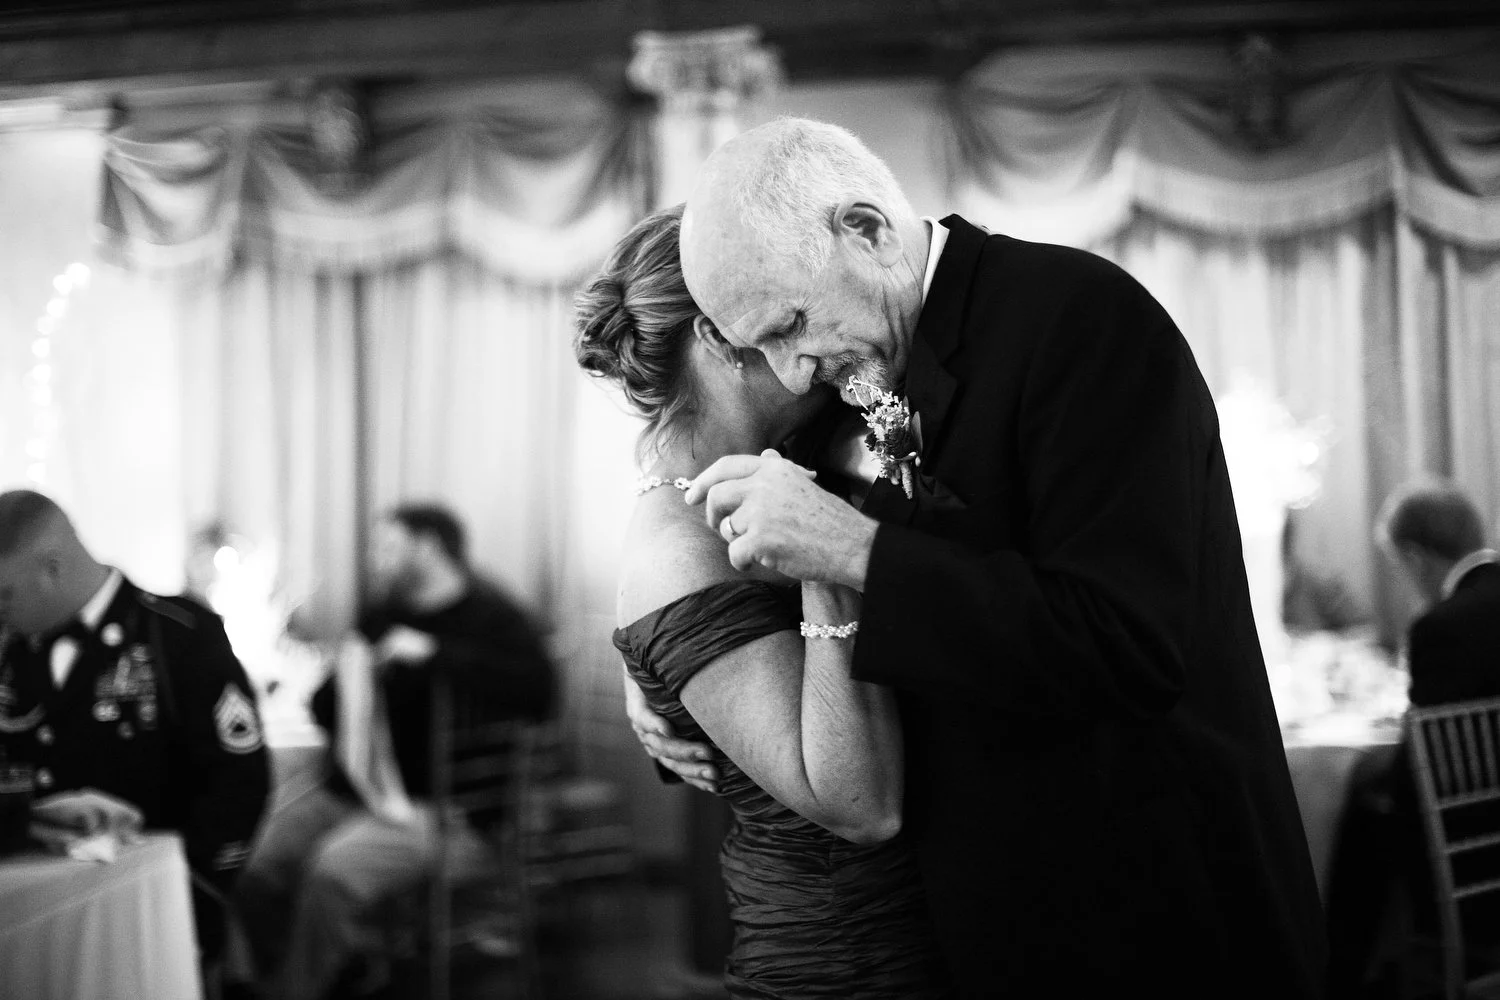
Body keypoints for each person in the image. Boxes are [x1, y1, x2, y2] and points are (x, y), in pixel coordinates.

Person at [631, 118, 1327, 998]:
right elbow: (728, 548)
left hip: (1155, 914)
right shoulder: (858, 375)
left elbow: (1129, 643)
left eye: (792, 324)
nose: (794, 374)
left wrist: (856, 550)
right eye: (764, 348)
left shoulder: (1081, 318)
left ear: (868, 230)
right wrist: (654, 658)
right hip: (984, 924)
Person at [576, 205, 952, 998]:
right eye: (787, 313)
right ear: (720, 335)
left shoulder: (800, 448)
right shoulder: (678, 552)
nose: (819, 336)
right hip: (845, 956)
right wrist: (821, 559)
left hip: (944, 925)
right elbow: (860, 805)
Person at [233, 503, 554, 1000]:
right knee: (255, 861)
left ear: (428, 546)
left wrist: (433, 654)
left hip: (446, 810)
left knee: (332, 872)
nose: (375, 556)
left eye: (388, 544)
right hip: (358, 790)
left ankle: (298, 988)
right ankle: (319, 968)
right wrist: (349, 675)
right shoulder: (384, 613)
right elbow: (326, 709)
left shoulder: (494, 617)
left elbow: (541, 693)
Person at [0, 489, 270, 965]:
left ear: (53, 568)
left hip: (146, 919)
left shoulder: (178, 636)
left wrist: (188, 895)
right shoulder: (10, 652)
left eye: (5, 593)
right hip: (28, 921)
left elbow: (239, 783)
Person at [1326, 480, 1500, 997]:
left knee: (1354, 818)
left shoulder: (1443, 627)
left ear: (1418, 558)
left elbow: (1423, 773)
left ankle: (1347, 977)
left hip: (1481, 859)